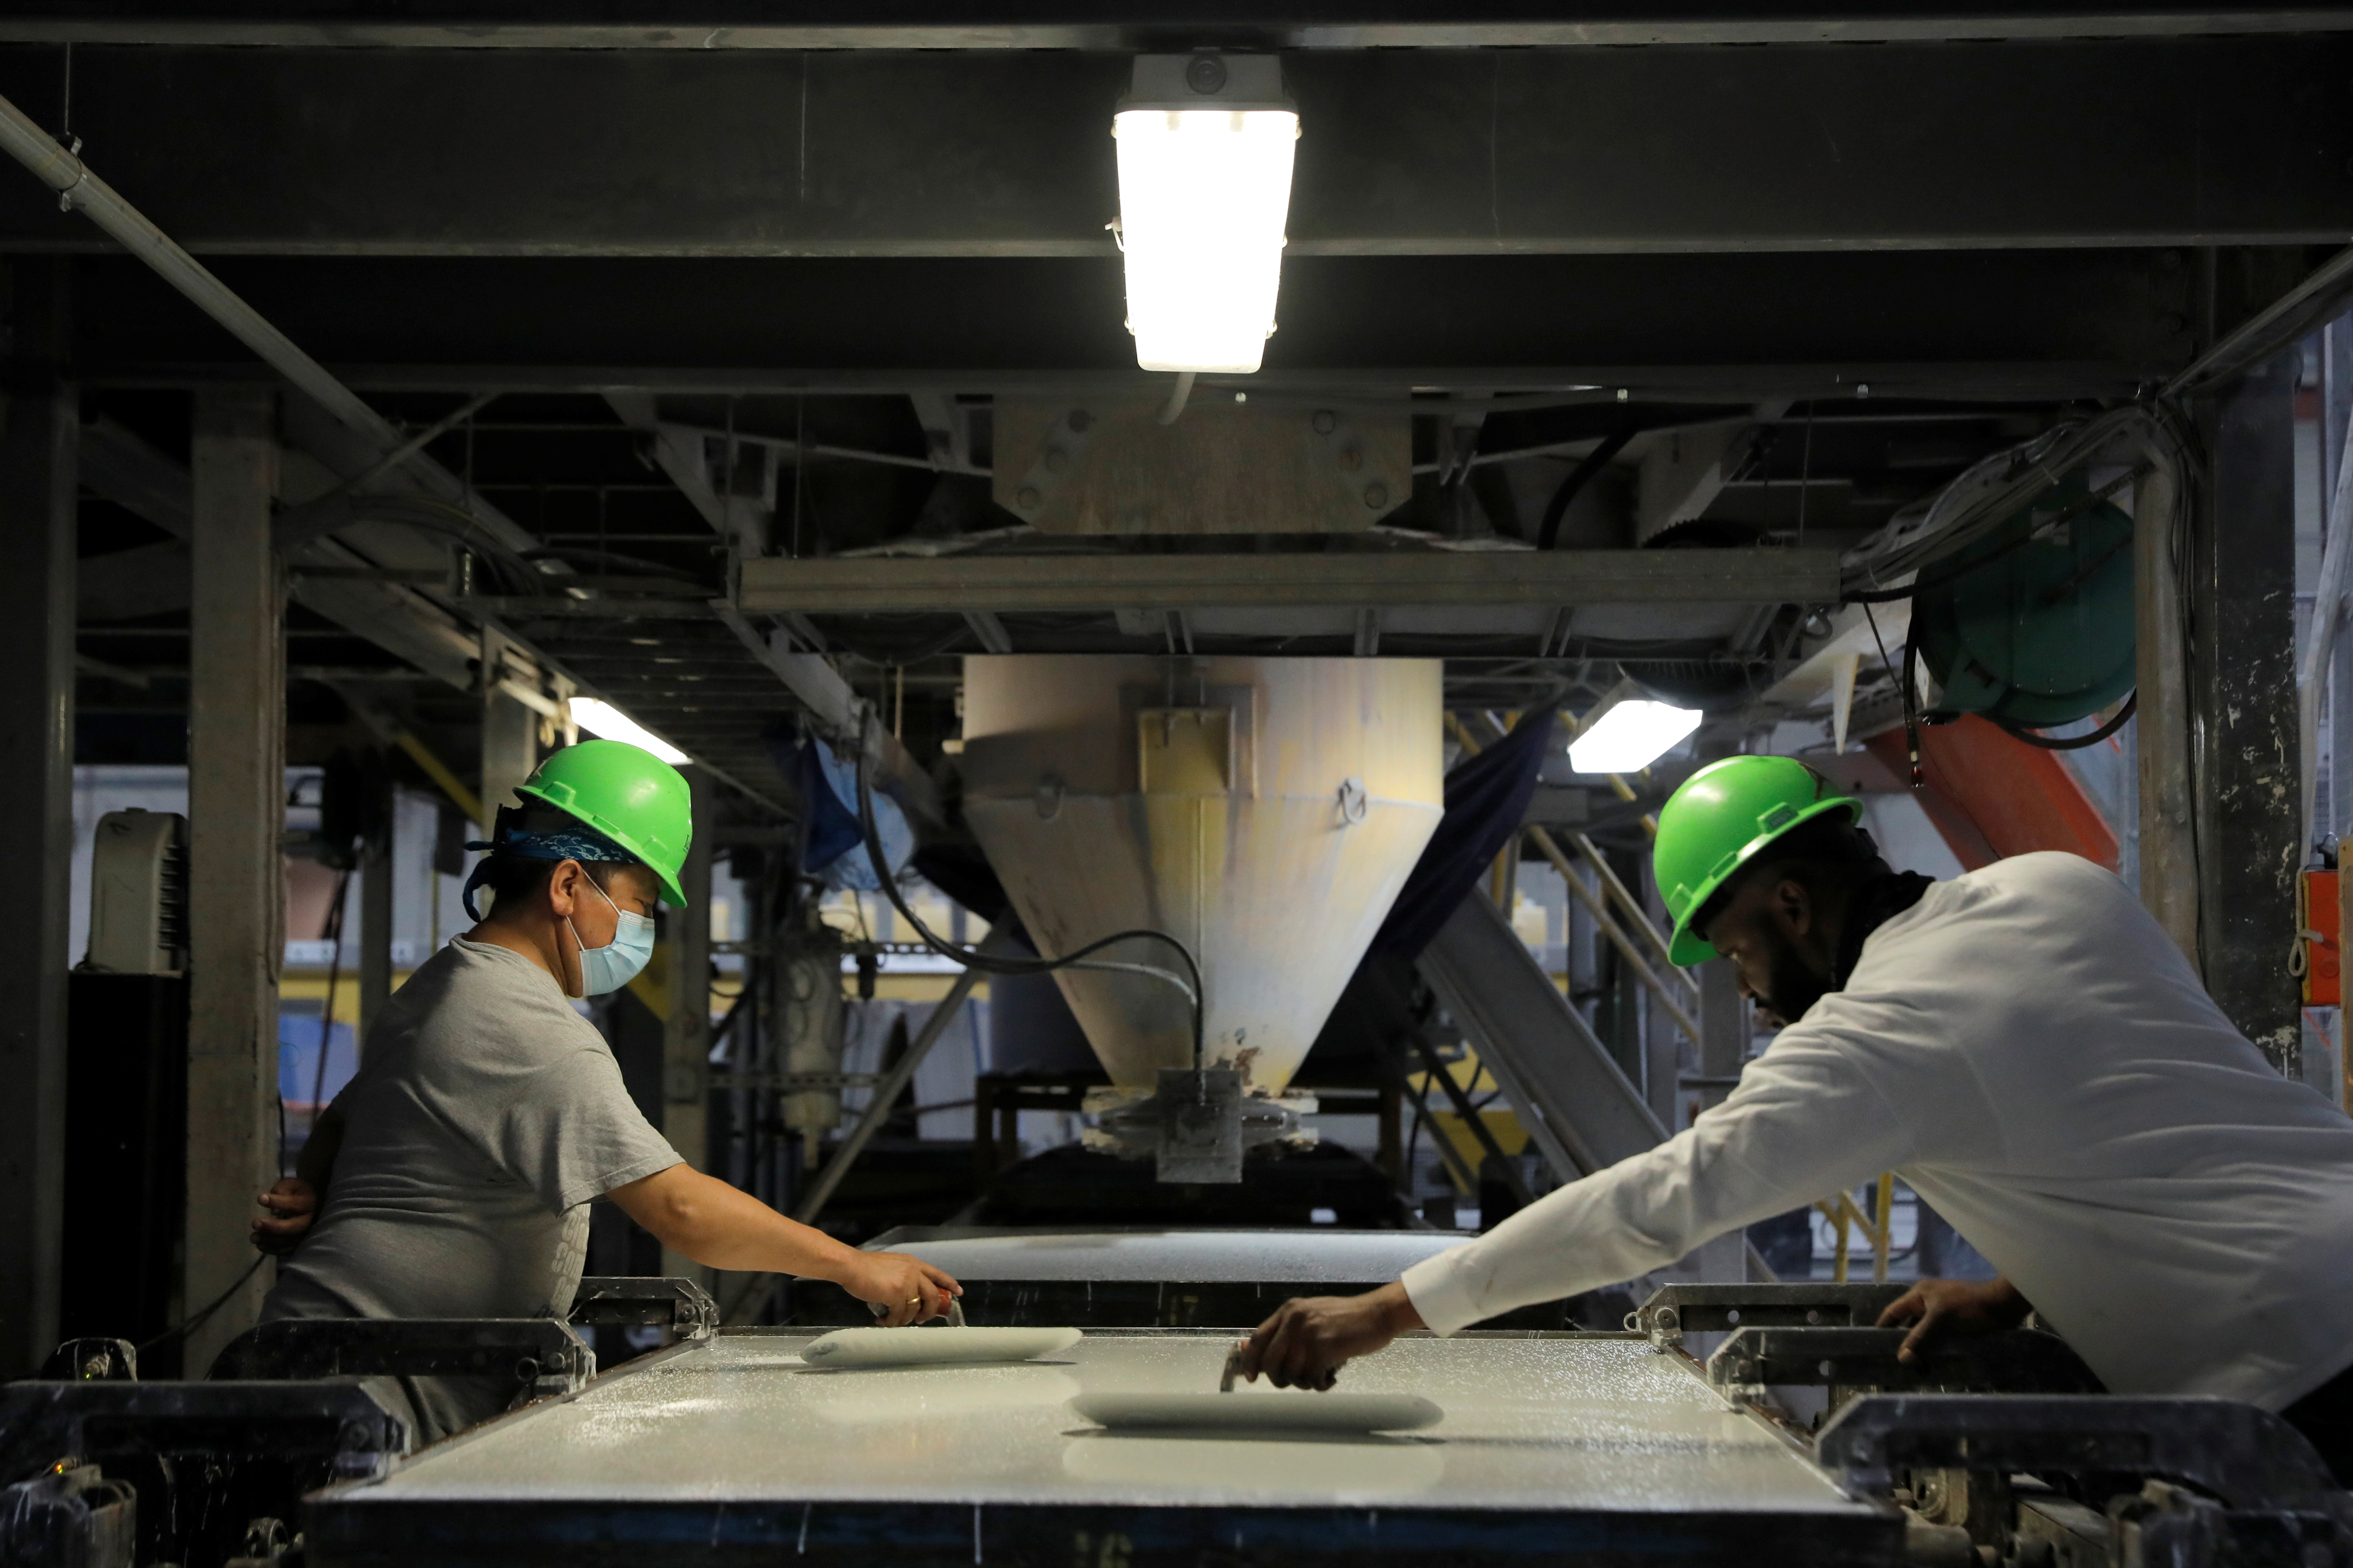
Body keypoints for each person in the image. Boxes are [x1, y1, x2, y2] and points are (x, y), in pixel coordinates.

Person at [1238, 754, 2353, 1474]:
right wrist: (2019, 1283)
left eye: (1733, 947)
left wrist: (1386, 1308)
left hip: (2298, 1362)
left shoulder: (1875, 1034)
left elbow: (1656, 1204)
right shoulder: (2055, 885)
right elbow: (2140, 1106)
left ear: (1791, 902)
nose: (1744, 986)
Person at [250, 739, 958, 1441]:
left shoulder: (444, 984)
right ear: (566, 887)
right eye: (640, 902)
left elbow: (343, 1122)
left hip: (326, 1366)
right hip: (355, 1399)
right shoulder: (523, 1023)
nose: (644, 927)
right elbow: (679, 1209)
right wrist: (854, 1268)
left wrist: (314, 1188)